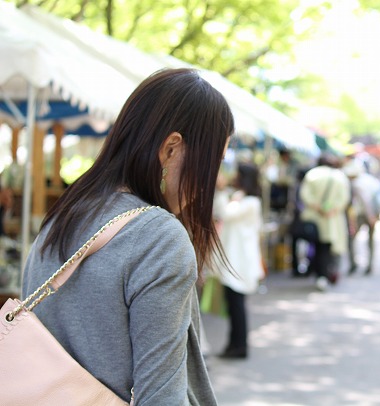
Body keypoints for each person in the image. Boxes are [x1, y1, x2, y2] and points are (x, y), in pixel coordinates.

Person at [21, 68, 233, 404]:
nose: (214, 180)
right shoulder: (159, 238)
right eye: (213, 163)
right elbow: (160, 397)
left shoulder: (65, 214)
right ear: (171, 150)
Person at [213, 163, 265, 359]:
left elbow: (224, 213)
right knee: (234, 304)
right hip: (236, 260)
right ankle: (234, 344)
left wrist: (221, 191)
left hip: (239, 262)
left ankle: (239, 346)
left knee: (237, 304)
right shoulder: (243, 200)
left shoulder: (250, 202)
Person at [299, 154, 350, 291]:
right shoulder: (340, 176)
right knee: (328, 248)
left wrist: (317, 207)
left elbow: (305, 195)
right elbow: (344, 198)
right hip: (332, 219)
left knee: (316, 247)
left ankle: (320, 275)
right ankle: (326, 275)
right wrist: (332, 210)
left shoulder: (312, 174)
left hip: (314, 218)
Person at [343, 158, 380, 276]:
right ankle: (370, 265)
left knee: (352, 239)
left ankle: (354, 264)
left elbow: (365, 201)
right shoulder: (371, 180)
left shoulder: (357, 183)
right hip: (373, 213)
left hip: (364, 214)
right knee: (371, 240)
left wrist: (370, 216)